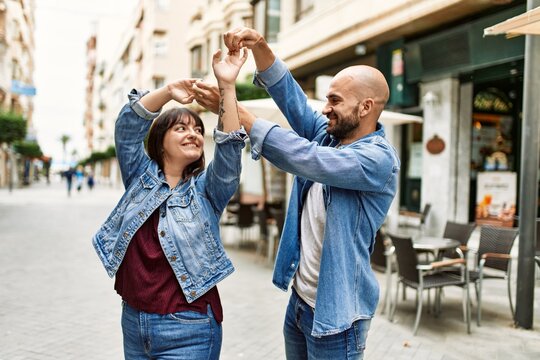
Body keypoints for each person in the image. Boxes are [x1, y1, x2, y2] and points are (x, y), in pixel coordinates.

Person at [194, 28, 400, 359]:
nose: (325, 109)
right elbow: (292, 98)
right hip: (301, 303)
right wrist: (259, 46)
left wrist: (234, 107)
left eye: (335, 101)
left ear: (366, 107)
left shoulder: (377, 159)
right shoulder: (330, 136)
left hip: (337, 316)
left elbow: (307, 159)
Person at [92, 46, 248, 359]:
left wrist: (227, 87)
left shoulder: (206, 191)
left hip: (189, 326)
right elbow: (127, 126)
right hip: (134, 322)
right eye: (181, 127)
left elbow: (230, 148)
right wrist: (168, 92)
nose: (193, 134)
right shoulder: (140, 177)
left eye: (197, 130)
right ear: (160, 139)